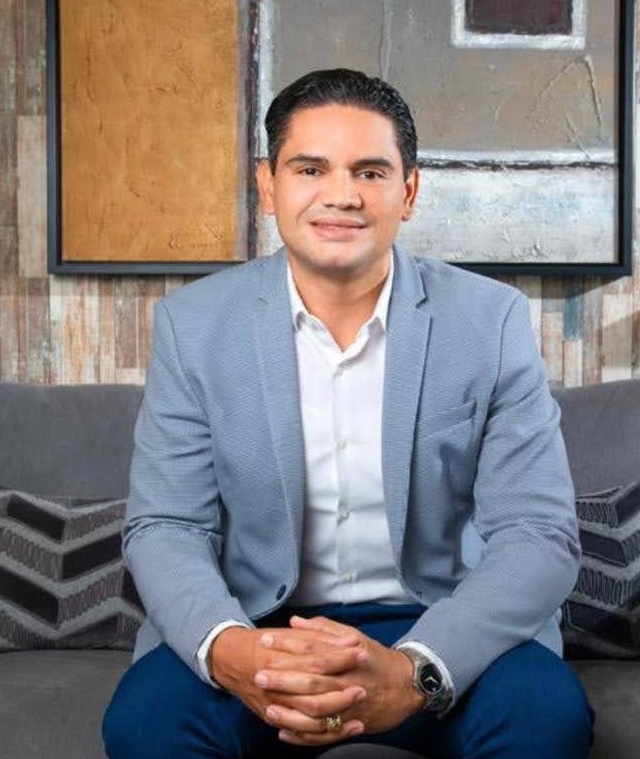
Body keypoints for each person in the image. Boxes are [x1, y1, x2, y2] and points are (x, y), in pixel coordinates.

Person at [103, 68, 593, 759]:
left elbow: (537, 533)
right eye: (310, 169)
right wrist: (234, 650)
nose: (341, 195)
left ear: (409, 191)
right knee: (146, 725)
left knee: (544, 721)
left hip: (440, 622)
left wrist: (415, 671)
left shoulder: (491, 321)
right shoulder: (194, 326)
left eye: (369, 171)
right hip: (259, 625)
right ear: (268, 185)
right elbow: (165, 525)